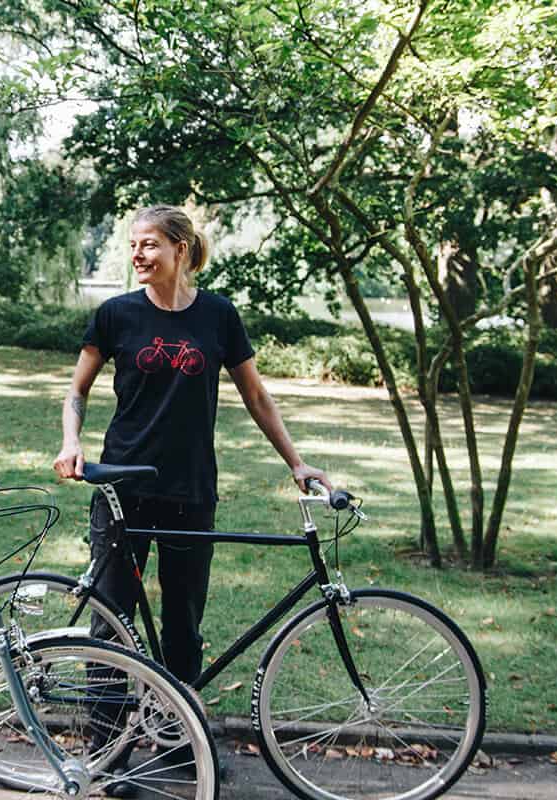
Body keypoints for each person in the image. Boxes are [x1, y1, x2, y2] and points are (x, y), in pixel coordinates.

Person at [53, 205, 330, 795]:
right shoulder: (115, 315)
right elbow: (76, 390)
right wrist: (71, 442)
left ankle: (178, 745)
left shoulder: (218, 316)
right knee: (112, 626)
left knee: (183, 625)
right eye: (133, 245)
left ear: (181, 248)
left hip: (191, 491)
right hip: (122, 492)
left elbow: (256, 396)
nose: (137, 255)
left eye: (149, 244)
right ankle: (104, 760)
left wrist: (297, 462)